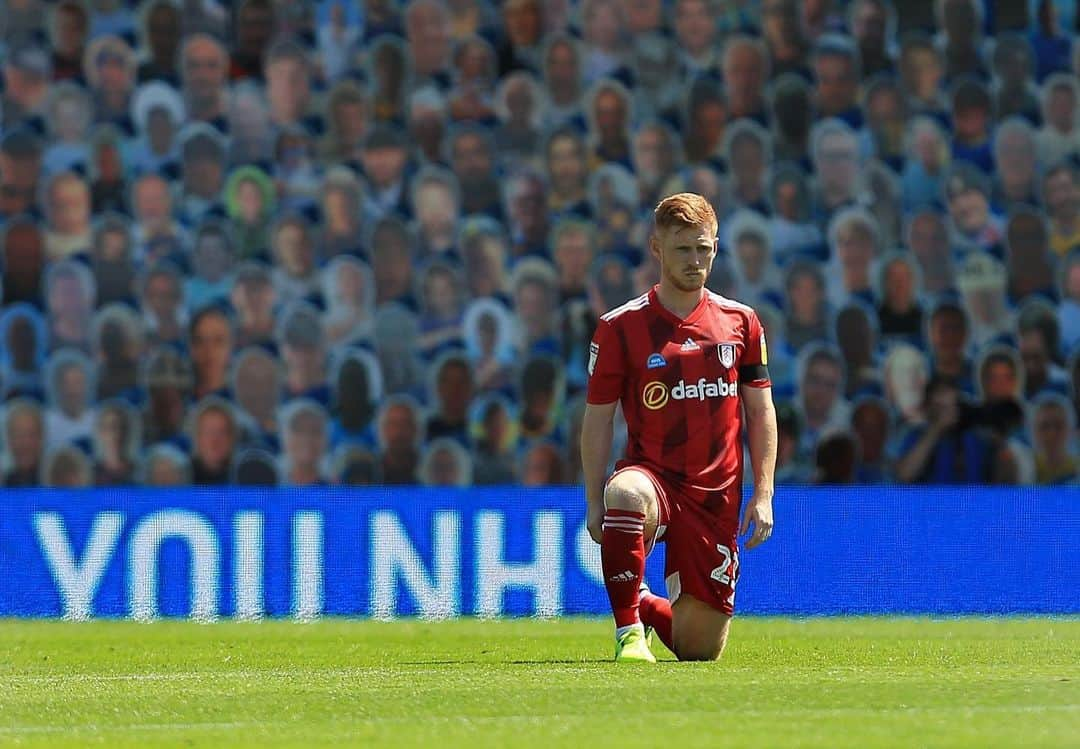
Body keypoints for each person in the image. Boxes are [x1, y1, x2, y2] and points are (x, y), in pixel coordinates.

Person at [581, 193, 777, 663]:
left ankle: (644, 602)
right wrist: (593, 500)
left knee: (699, 649)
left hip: (715, 497)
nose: (695, 260)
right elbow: (598, 418)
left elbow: (762, 411)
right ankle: (628, 631)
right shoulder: (620, 327)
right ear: (657, 248)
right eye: (683, 249)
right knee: (625, 495)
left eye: (704, 249)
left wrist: (764, 492)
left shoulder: (742, 323)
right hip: (654, 479)